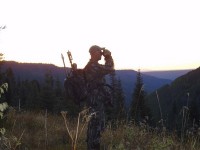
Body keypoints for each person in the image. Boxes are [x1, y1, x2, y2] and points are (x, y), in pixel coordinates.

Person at [83, 45, 114, 150]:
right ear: (94, 53)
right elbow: (110, 68)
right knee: (96, 124)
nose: (101, 53)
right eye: (99, 51)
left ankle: (94, 145)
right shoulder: (93, 66)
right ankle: (93, 146)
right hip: (95, 100)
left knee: (95, 124)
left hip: (95, 99)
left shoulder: (92, 66)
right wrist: (108, 56)